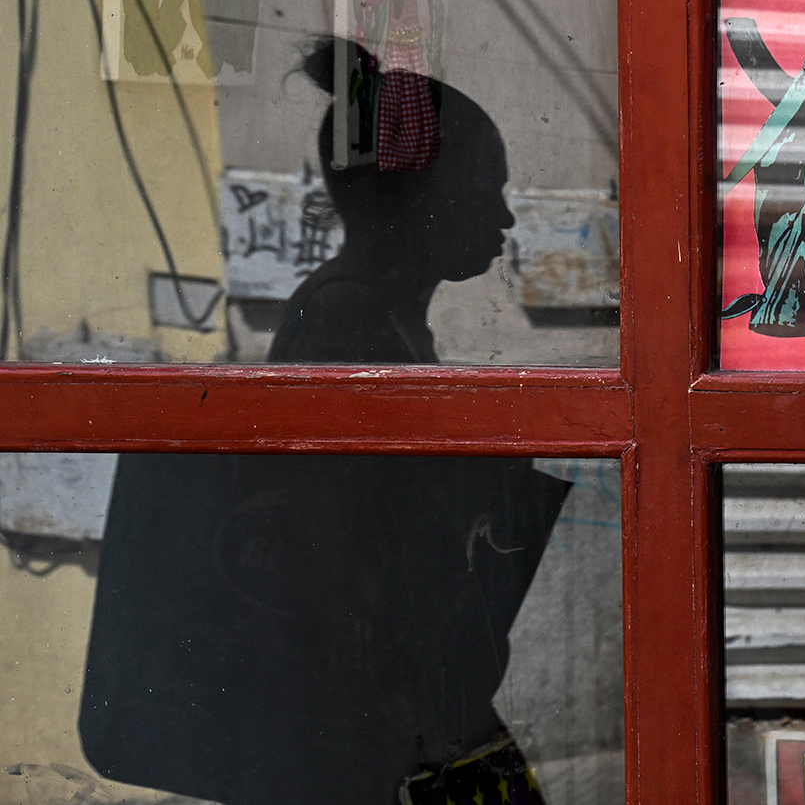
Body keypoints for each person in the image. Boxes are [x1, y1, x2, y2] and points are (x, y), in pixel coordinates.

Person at [81, 39, 569, 805]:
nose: (503, 214)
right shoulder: (351, 320)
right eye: (485, 186)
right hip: (357, 727)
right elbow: (341, 555)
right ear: (417, 195)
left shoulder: (377, 314)